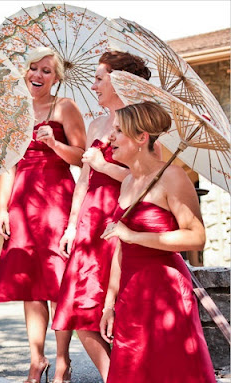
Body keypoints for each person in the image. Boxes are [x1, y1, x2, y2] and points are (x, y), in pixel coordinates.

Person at [51, 51, 152, 381]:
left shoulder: (142, 125)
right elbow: (83, 180)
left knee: (116, 312)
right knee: (81, 313)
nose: (93, 85)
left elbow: (147, 180)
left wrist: (101, 164)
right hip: (88, 225)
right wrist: (69, 227)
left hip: (119, 222)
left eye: (99, 78)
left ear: (119, 81)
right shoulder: (96, 124)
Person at [100, 101, 216, 383]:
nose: (109, 138)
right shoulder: (127, 182)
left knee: (170, 371)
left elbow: (196, 237)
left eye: (118, 131)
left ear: (141, 138)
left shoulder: (172, 177)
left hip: (164, 293)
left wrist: (135, 235)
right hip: (130, 293)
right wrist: (109, 303)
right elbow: (120, 247)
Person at [0, 47, 86, 383]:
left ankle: (62, 361)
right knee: (30, 286)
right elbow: (9, 165)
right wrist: (2, 209)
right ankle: (37, 360)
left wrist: (55, 145)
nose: (38, 75)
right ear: (24, 72)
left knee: (60, 284)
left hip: (56, 199)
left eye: (47, 71)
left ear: (56, 77)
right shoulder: (15, 113)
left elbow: (82, 158)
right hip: (22, 203)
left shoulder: (65, 107)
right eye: (33, 68)